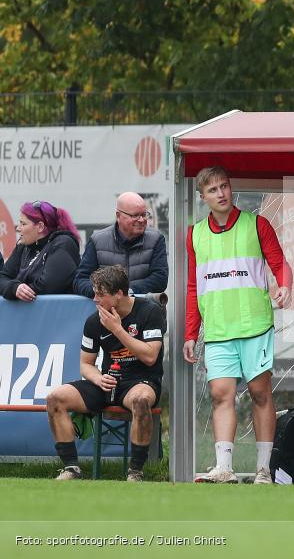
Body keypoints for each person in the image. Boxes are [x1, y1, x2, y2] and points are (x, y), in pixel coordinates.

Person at [183, 166, 292, 485]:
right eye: (213, 190)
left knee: (260, 393)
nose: (221, 193)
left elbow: (279, 264)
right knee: (221, 393)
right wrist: (191, 333)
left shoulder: (257, 224)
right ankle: (224, 468)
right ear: (203, 197)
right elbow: (194, 287)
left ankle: (262, 470)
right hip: (217, 330)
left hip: (255, 326)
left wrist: (284, 285)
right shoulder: (194, 234)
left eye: (224, 186)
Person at [45, 266, 165, 481]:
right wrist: (98, 378)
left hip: (141, 381)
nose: (95, 299)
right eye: (94, 293)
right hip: (108, 382)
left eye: (101, 294)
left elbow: (150, 357)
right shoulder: (94, 321)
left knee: (140, 400)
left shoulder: (149, 312)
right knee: (55, 398)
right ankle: (71, 468)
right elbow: (85, 365)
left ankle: (135, 472)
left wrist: (118, 329)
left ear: (119, 294)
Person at [74, 192, 168, 298]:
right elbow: (81, 281)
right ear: (118, 216)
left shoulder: (156, 239)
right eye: (135, 215)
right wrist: (103, 292)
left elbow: (160, 279)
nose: (142, 220)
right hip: (107, 312)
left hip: (145, 312)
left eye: (144, 214)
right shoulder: (97, 240)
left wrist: (126, 291)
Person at [0, 201, 80, 301]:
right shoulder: (23, 246)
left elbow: (49, 286)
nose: (18, 228)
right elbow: (2, 277)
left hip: (57, 313)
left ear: (40, 227)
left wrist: (18, 290)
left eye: (23, 224)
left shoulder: (62, 243)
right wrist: (14, 288)